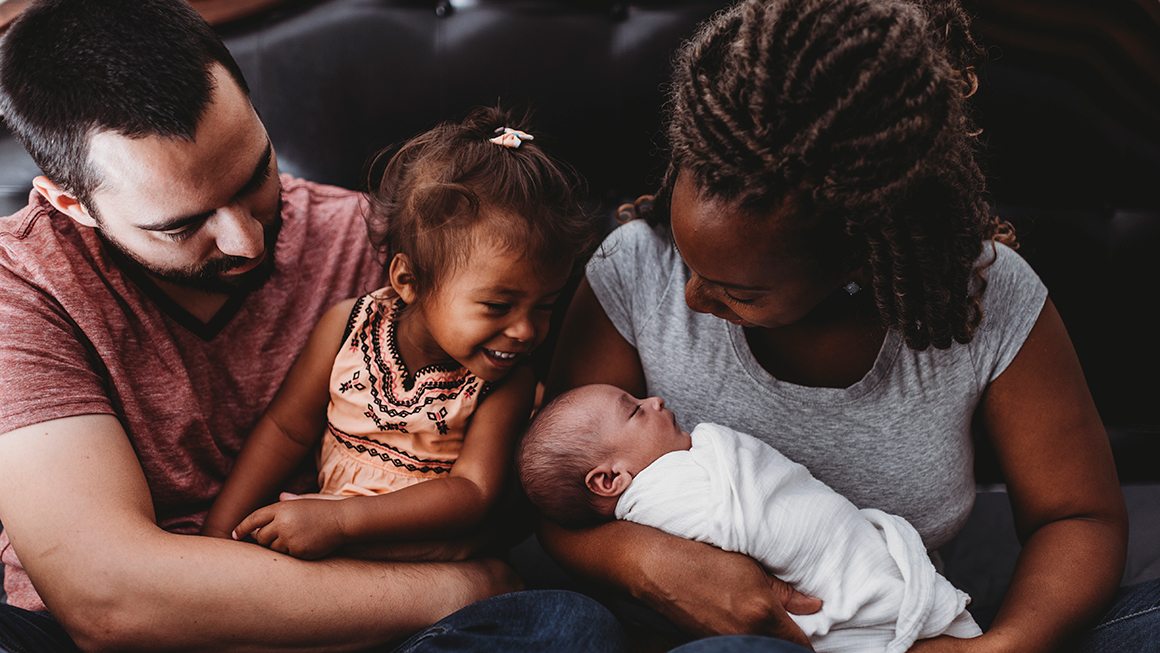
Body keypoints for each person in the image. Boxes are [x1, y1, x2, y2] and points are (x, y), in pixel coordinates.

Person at [0, 1, 628, 651]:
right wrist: (467, 586)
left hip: (351, 607)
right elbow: (108, 600)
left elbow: (495, 498)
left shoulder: (389, 241)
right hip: (112, 633)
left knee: (567, 627)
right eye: (183, 225)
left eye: (256, 175)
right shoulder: (23, 287)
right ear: (70, 201)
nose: (247, 241)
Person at [541, 0, 1159, 651]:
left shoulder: (983, 297)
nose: (691, 297)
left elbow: (1077, 516)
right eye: (690, 262)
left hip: (893, 630)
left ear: (858, 252)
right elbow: (551, 494)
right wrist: (653, 566)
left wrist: (999, 647)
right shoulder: (636, 265)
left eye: (739, 291)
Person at [201, 108, 597, 562]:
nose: (526, 331)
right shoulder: (348, 326)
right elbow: (285, 429)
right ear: (409, 281)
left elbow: (473, 492)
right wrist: (218, 533)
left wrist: (340, 521)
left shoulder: (506, 382)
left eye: (545, 306)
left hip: (422, 559)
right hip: (320, 538)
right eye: (497, 306)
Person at [518, 383, 982, 653]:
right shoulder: (661, 496)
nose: (655, 401)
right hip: (817, 603)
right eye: (636, 410)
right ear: (609, 480)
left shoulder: (669, 467)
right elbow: (736, 527)